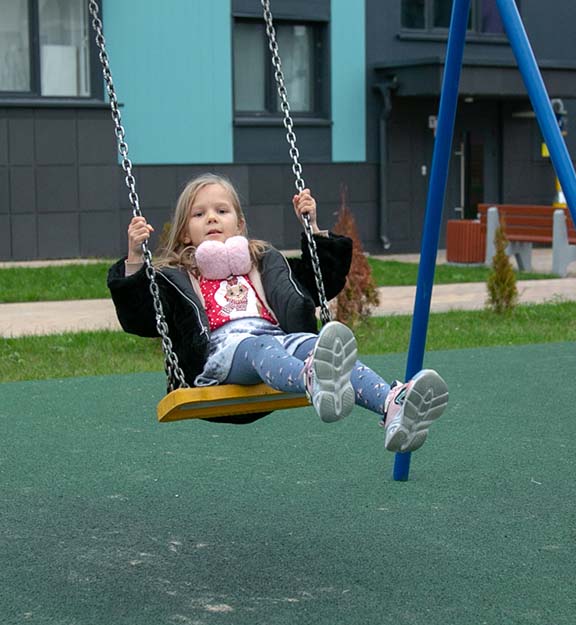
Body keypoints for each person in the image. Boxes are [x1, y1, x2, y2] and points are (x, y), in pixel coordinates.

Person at [107, 173, 447, 453]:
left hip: (276, 341)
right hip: (219, 358)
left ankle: (393, 404)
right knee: (260, 347)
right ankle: (312, 379)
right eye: (199, 214)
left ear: (239, 224)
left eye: (221, 210)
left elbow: (320, 280)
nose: (211, 217)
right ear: (184, 232)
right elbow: (139, 317)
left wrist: (313, 227)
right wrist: (135, 257)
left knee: (315, 346)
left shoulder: (265, 264)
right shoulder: (174, 278)